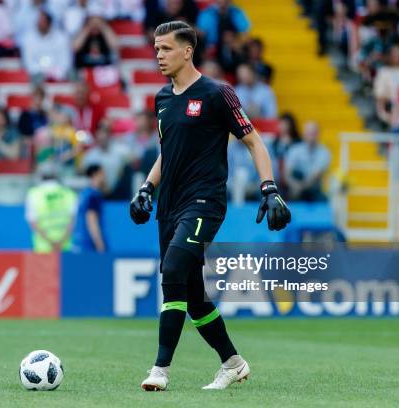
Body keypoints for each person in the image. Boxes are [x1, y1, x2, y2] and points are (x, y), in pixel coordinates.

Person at [130, 21, 290, 392]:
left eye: (166, 48)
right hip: (169, 204)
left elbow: (254, 141)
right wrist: (146, 188)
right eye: (156, 49)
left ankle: (160, 369)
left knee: (171, 270)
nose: (158, 55)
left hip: (205, 202)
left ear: (188, 51)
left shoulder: (218, 93)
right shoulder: (162, 99)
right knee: (194, 296)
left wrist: (269, 188)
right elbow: (166, 153)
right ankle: (233, 363)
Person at [25, 162, 78, 253]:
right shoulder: (69, 193)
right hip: (64, 248)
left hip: (42, 249)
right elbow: (72, 222)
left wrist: (52, 243)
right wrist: (60, 243)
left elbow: (33, 224)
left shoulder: (34, 194)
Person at [284, 121, 331, 202]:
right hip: (293, 188)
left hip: (313, 190)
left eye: (313, 133)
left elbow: (316, 176)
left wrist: (300, 187)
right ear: (304, 134)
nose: (311, 136)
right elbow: (287, 173)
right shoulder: (294, 149)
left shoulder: (324, 152)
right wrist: (294, 185)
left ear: (318, 134)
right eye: (309, 133)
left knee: (323, 199)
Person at [21, 11, 71, 82]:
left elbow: (65, 61)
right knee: (35, 79)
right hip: (36, 74)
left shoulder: (61, 37)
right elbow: (28, 62)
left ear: (49, 23)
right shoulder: (28, 38)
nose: (39, 24)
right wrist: (43, 72)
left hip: (59, 74)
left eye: (42, 21)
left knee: (72, 75)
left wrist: (54, 72)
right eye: (38, 21)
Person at [71, 164, 107, 253]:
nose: (105, 177)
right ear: (95, 175)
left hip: (78, 243)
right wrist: (99, 244)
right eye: (102, 173)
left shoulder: (83, 193)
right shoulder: (93, 195)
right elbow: (91, 219)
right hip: (89, 245)